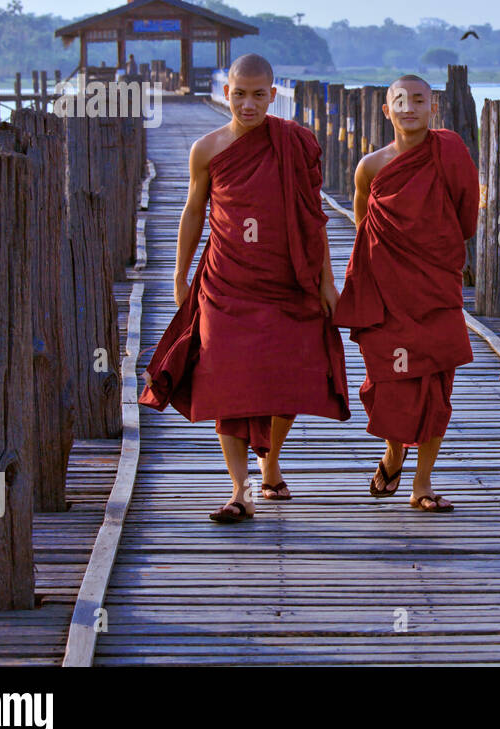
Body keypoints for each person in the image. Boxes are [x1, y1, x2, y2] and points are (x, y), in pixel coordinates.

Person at [139, 53, 350, 522]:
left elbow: (312, 217)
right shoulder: (207, 149)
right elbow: (194, 212)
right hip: (225, 282)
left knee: (285, 380)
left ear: (273, 96)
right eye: (239, 94)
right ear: (226, 92)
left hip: (287, 281)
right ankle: (240, 490)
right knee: (226, 382)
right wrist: (179, 274)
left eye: (259, 95)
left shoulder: (297, 143)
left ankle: (270, 463)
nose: (248, 104)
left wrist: (326, 280)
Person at [333, 74, 478, 513]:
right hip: (386, 292)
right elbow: (365, 224)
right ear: (386, 109)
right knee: (390, 382)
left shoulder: (449, 150)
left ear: (433, 107)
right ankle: (395, 452)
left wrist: (434, 250)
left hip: (435, 288)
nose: (410, 108)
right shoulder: (371, 166)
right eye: (401, 100)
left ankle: (423, 482)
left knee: (436, 384)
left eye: (420, 100)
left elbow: (464, 214)